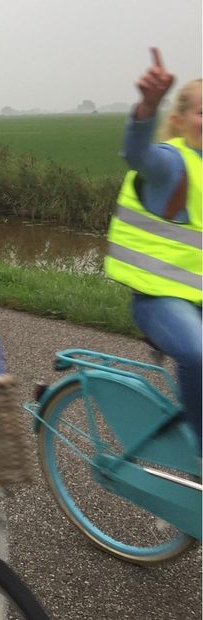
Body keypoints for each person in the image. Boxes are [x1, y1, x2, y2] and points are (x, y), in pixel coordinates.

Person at [105, 48, 202, 445]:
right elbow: (137, 155)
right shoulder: (172, 164)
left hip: (195, 299)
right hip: (159, 300)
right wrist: (148, 106)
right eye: (202, 111)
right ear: (180, 120)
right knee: (199, 356)